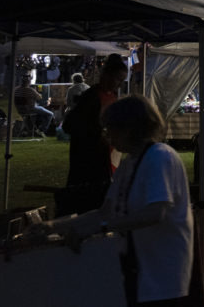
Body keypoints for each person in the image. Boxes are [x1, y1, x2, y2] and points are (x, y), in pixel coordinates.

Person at [31, 95, 193, 306]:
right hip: (138, 269)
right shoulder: (129, 164)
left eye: (111, 129)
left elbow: (155, 213)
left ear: (129, 128)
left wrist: (98, 228)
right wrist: (52, 226)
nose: (107, 136)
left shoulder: (160, 157)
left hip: (163, 273)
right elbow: (105, 212)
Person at [61, 53, 124, 214]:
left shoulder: (113, 96)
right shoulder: (91, 96)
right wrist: (97, 133)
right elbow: (70, 125)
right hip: (88, 155)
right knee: (88, 197)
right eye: (118, 79)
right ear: (106, 76)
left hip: (106, 153)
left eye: (122, 81)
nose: (119, 84)